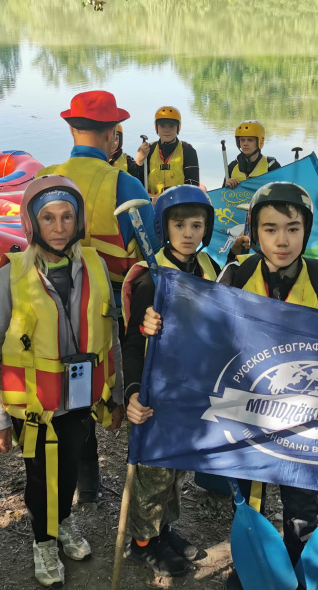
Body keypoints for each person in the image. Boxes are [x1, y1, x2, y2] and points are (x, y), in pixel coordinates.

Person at [143, 182, 318, 590]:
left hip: (304, 424)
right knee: (250, 497)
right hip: (248, 417)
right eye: (270, 228)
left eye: (293, 229)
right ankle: (253, 566)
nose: (282, 240)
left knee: (299, 506)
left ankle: (296, 565)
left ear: (306, 232)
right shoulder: (234, 276)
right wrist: (157, 325)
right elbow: (205, 336)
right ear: (254, 232)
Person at [0, 175, 124, 588]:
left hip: (81, 394)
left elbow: (112, 334)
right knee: (40, 473)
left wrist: (113, 394)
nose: (59, 227)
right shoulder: (11, 274)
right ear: (32, 223)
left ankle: (62, 521)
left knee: (71, 467)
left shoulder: (94, 265)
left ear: (78, 221)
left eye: (66, 217)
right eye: (48, 218)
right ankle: (43, 540)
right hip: (34, 401)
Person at [41, 91, 158, 507]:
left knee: (75, 392)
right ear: (112, 136)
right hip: (113, 309)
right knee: (126, 389)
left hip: (56, 308)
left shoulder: (47, 178)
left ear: (72, 130)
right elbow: (151, 253)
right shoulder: (125, 183)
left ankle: (87, 486)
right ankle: (137, 488)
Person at [122, 186, 221, 577]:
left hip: (191, 388)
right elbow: (130, 342)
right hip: (155, 391)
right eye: (179, 224)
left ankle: (163, 529)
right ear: (164, 227)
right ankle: (142, 541)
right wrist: (131, 392)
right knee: (152, 471)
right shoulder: (151, 276)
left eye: (197, 225)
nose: (188, 233)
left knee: (176, 468)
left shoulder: (208, 269)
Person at [135, 106, 200, 195]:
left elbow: (193, 184)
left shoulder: (188, 150)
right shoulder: (148, 149)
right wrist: (138, 162)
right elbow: (137, 183)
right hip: (152, 202)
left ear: (178, 128)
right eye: (162, 126)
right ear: (156, 127)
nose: (166, 130)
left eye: (171, 126)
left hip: (178, 204)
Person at [224, 120, 281, 188]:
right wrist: (226, 186)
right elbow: (220, 196)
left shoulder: (271, 166)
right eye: (242, 140)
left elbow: (281, 192)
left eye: (250, 140)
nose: (245, 144)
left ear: (260, 141)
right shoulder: (232, 166)